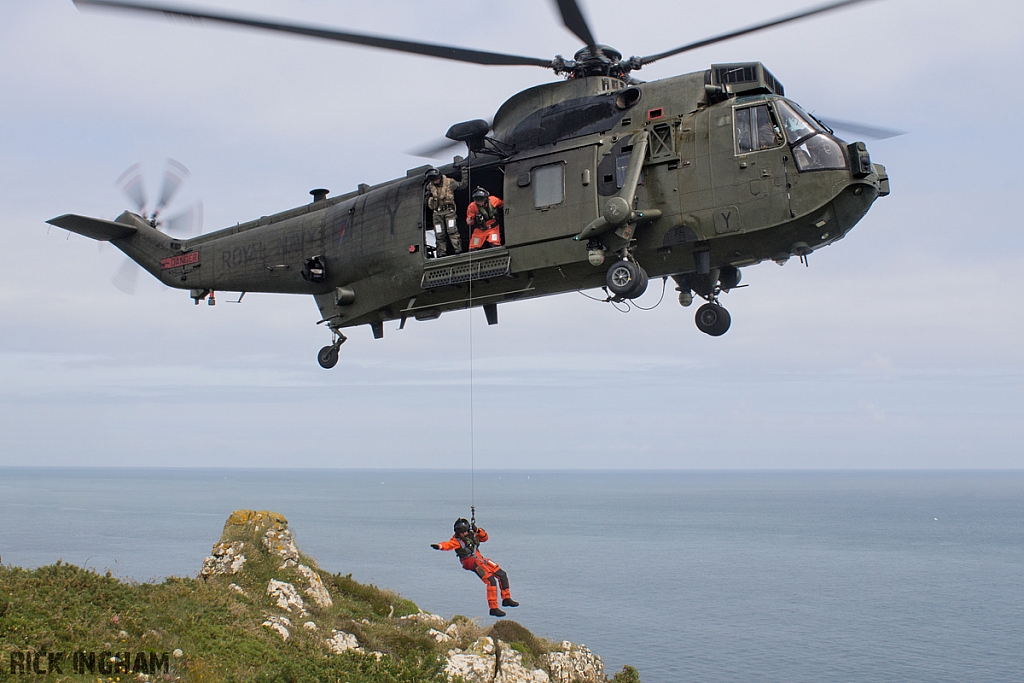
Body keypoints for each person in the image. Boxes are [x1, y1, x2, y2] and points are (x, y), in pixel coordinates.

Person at [431, 517, 518, 617]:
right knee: (490, 580)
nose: (465, 533)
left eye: (467, 531)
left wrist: (478, 530)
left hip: (480, 559)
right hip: (470, 561)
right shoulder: (456, 541)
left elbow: (485, 538)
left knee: (501, 574)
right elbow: (447, 545)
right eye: (463, 532)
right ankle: (493, 608)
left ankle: (506, 598)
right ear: (458, 532)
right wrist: (439, 546)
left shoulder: (472, 534)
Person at [425, 167, 467, 257]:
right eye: (433, 180)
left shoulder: (450, 182)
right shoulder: (430, 187)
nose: (435, 181)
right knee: (439, 234)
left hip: (449, 211)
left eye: (436, 179)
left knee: (452, 230)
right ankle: (441, 253)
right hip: (437, 213)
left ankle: (457, 249)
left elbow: (463, 185)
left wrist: (464, 173)